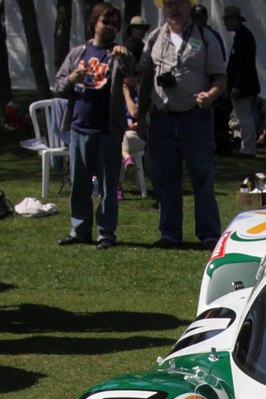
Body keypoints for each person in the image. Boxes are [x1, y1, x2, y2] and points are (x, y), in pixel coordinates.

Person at [137, 0, 227, 248]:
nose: (174, 9)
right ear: (163, 9)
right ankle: (170, 233)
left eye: (179, 4)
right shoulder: (153, 37)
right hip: (162, 118)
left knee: (202, 176)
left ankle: (209, 234)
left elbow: (221, 77)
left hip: (195, 119)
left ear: (189, 7)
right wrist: (140, 117)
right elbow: (145, 79)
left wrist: (210, 95)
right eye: (169, 5)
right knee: (164, 179)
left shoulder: (206, 37)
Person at [53, 3, 133, 250]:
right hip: (79, 128)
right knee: (79, 183)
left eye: (114, 25)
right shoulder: (79, 52)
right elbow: (57, 85)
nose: (109, 28)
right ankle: (80, 230)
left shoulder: (118, 55)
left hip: (107, 130)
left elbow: (133, 75)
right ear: (94, 23)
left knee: (109, 186)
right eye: (104, 22)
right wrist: (71, 79)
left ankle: (106, 233)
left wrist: (126, 58)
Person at [221, 5, 257, 157]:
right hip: (242, 84)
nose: (225, 23)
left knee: (244, 117)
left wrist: (237, 85)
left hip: (243, 85)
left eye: (228, 20)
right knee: (243, 116)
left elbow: (244, 64)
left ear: (235, 19)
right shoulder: (241, 35)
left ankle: (248, 148)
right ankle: (246, 146)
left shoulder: (244, 36)